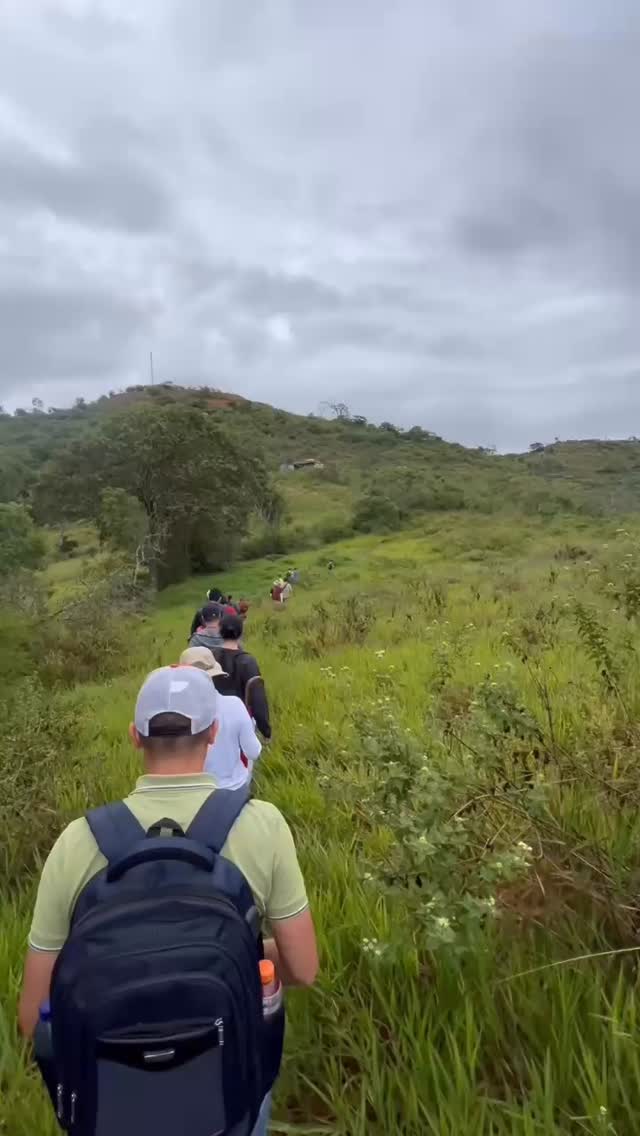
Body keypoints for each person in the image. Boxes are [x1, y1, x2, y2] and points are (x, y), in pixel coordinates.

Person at [19, 665, 318, 1136]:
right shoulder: (263, 826)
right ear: (214, 732)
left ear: (135, 737)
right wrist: (236, 949)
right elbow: (303, 967)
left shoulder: (76, 843)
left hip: (110, 1108)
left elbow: (33, 1012)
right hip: (226, 1100)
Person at [180, 646, 262, 790]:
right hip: (234, 788)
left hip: (193, 793)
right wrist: (251, 726)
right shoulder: (234, 704)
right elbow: (253, 752)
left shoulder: (175, 712)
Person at [214, 613, 272, 741]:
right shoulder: (247, 661)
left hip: (212, 722)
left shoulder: (209, 657)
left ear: (220, 631)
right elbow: (258, 699)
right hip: (241, 721)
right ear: (241, 632)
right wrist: (266, 731)